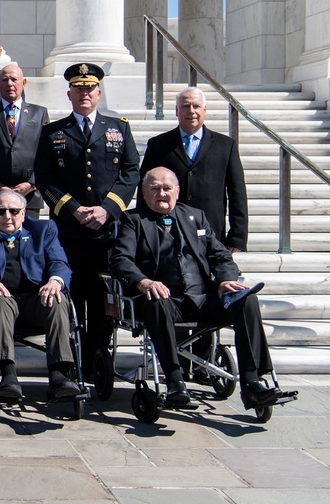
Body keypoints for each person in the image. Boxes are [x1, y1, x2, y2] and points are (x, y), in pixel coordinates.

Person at [109, 167, 284, 408]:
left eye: (167, 188)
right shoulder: (133, 220)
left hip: (202, 297)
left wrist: (224, 281)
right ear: (144, 192)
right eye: (155, 188)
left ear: (177, 191)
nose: (162, 193)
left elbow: (221, 256)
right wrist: (144, 281)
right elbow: (120, 259)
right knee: (157, 300)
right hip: (164, 300)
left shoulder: (196, 216)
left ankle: (253, 382)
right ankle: (174, 380)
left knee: (247, 300)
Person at [35, 63, 139, 376]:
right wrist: (73, 209)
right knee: (71, 296)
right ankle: (72, 360)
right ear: (69, 93)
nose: (84, 93)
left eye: (89, 88)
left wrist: (108, 208)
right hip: (68, 231)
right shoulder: (53, 132)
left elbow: (131, 172)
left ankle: (98, 357)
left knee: (102, 299)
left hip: (105, 233)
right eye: (78, 88)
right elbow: (45, 177)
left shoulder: (118, 128)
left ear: (98, 92)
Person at [0, 190, 79, 401]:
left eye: (14, 211)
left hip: (36, 300)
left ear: (24, 213)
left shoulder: (43, 229)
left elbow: (59, 262)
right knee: (1, 300)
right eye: (0, 211)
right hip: (1, 301)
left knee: (58, 299)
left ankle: (59, 375)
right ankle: (8, 376)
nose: (7, 216)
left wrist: (54, 281)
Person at [140, 86, 247, 252]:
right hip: (166, 230)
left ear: (205, 110)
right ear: (176, 111)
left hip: (210, 232)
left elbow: (237, 193)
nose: (191, 111)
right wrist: (144, 228)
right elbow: (145, 189)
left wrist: (237, 237)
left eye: (196, 106)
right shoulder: (158, 145)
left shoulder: (226, 146)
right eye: (185, 106)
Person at [0, 63, 49, 218]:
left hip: (29, 195)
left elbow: (46, 153)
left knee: (28, 240)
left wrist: (31, 183)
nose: (10, 84)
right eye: (5, 80)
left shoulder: (39, 113)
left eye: (14, 79)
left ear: (24, 83)